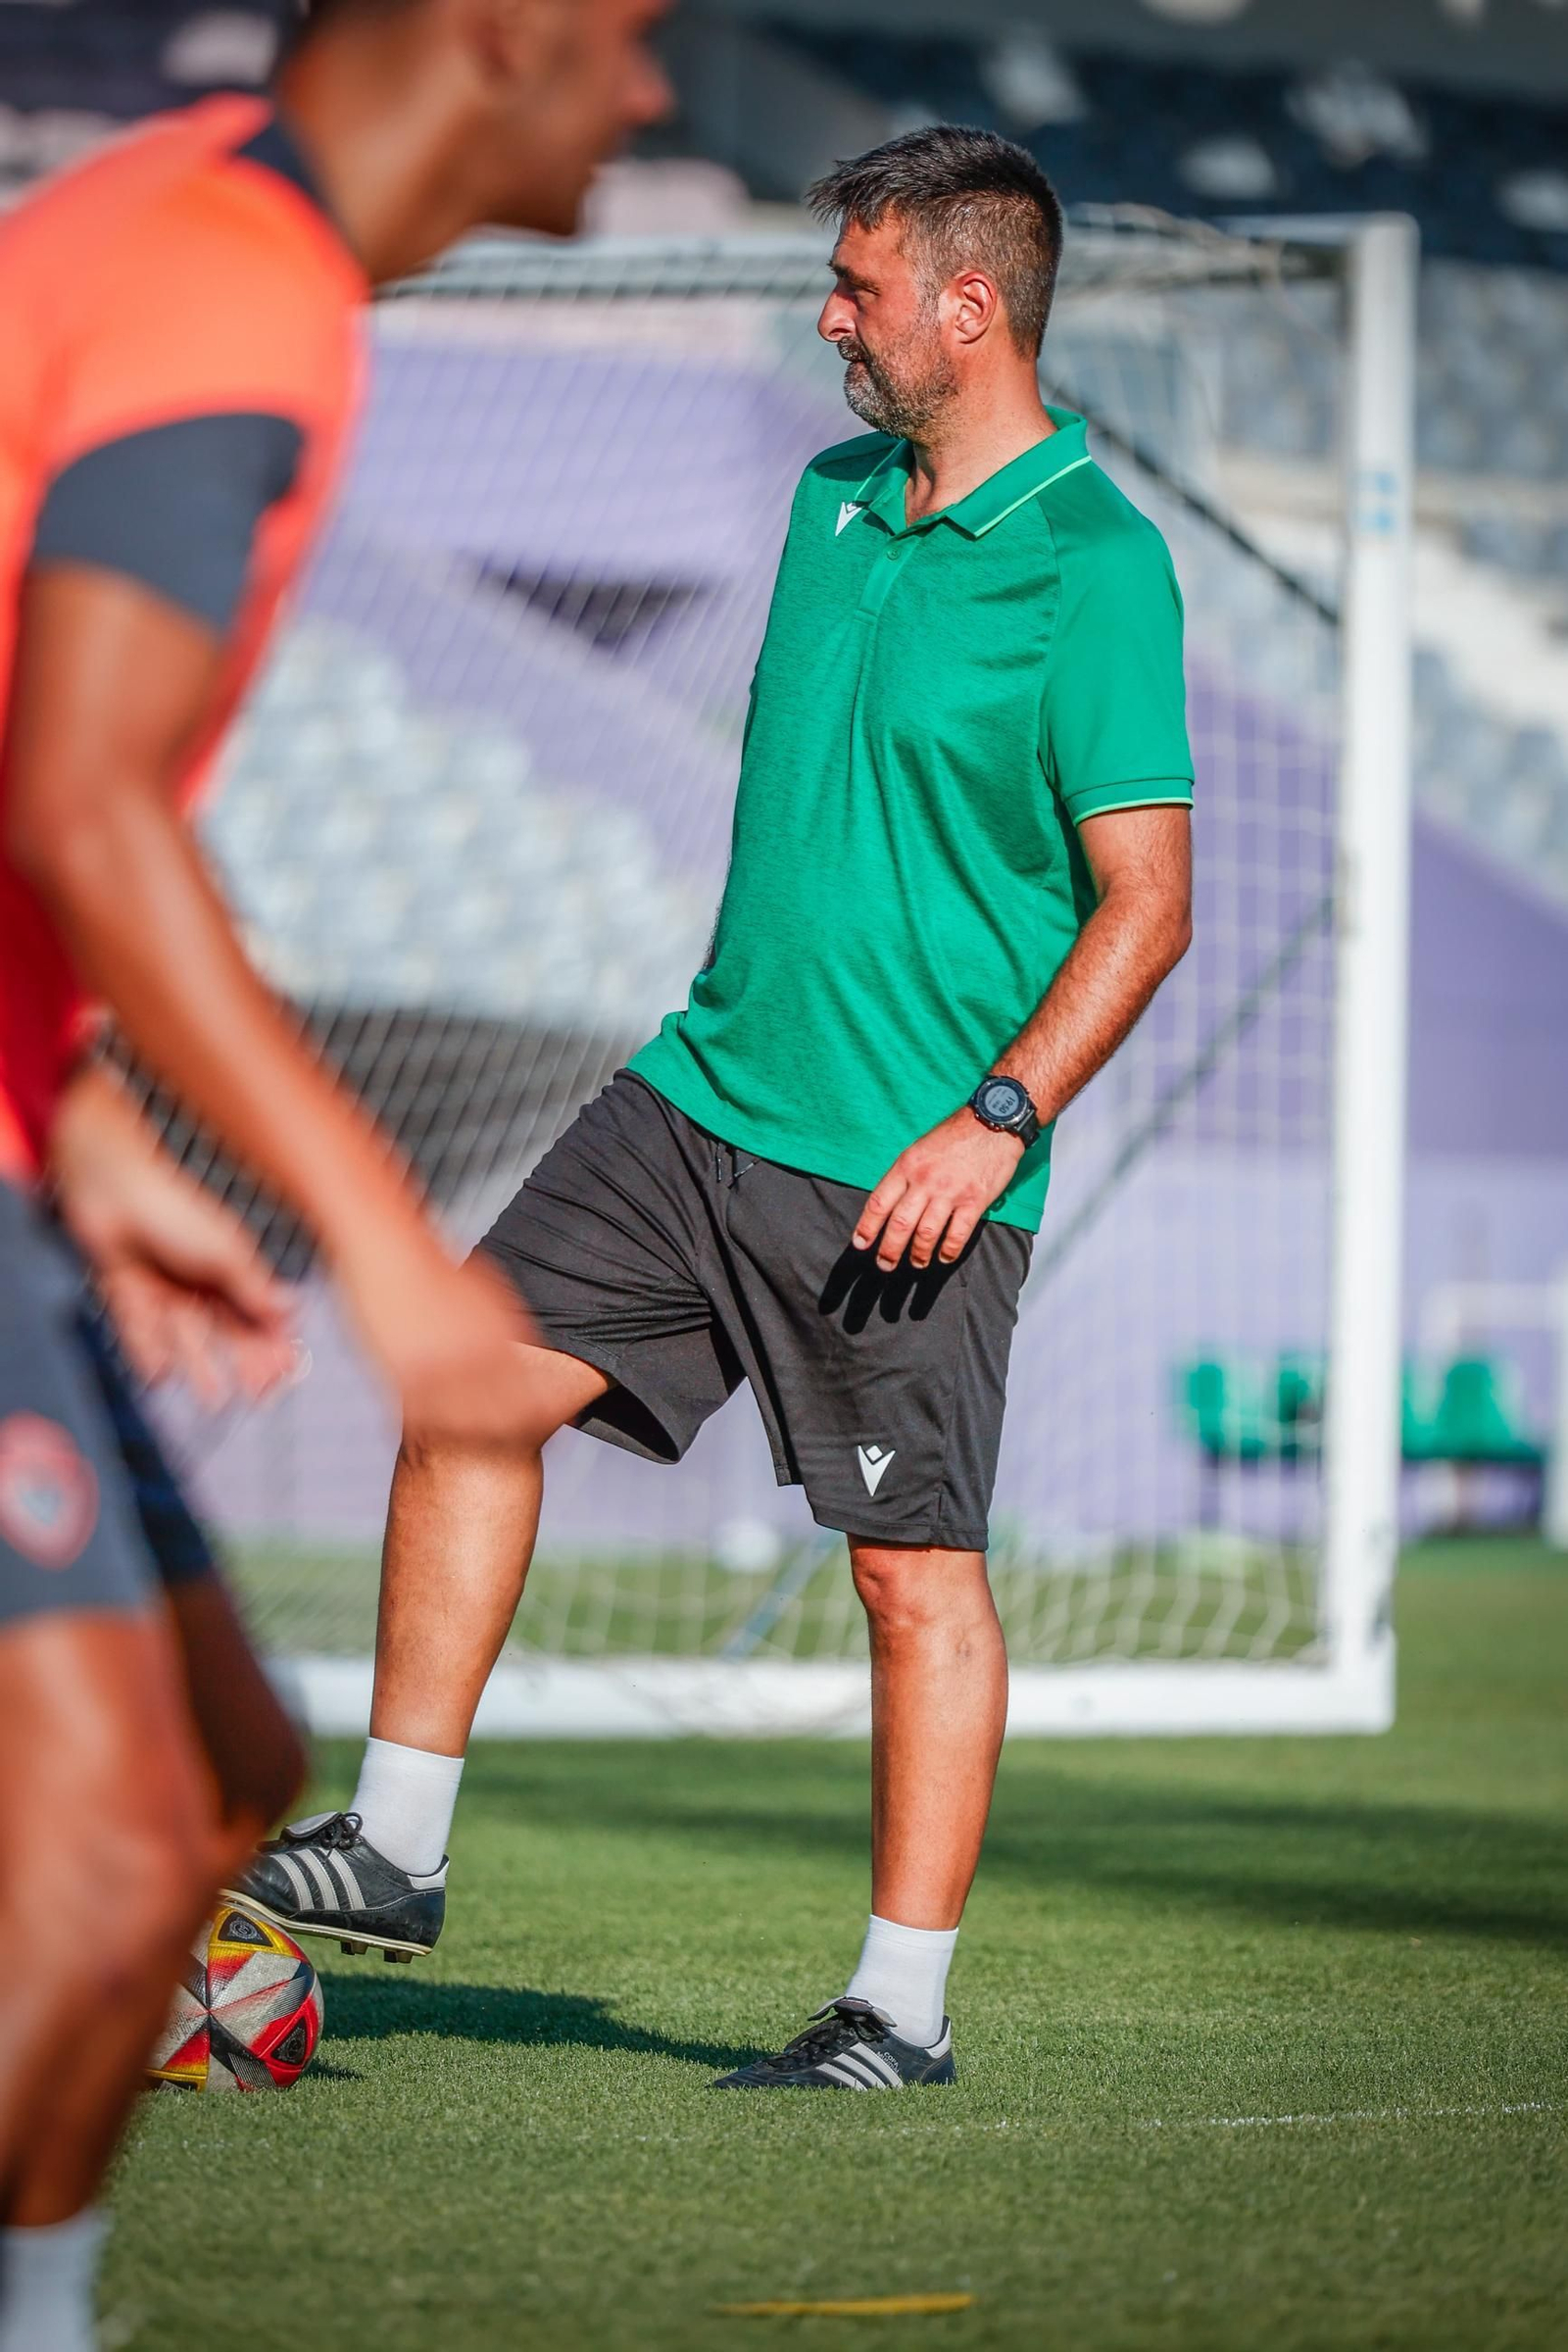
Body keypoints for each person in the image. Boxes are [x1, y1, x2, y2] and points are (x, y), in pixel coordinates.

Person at [234, 123, 1194, 2093]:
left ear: (967, 303)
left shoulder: (1099, 568)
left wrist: (994, 1116)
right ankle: (396, 1839)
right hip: (696, 1096)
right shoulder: (833, 495)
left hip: (910, 1168)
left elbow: (1147, 903)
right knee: (465, 1376)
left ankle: (893, 2016)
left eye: (853, 287)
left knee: (909, 1579)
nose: (822, 316)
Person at [0, 3, 669, 2343]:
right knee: (107, 1850)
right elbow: (79, 797)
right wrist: (394, 1257)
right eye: (630, 40)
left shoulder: (191, 226)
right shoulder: (230, 278)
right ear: (501, 34)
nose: (657, 97)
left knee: (215, 1777)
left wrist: (76, 1128)